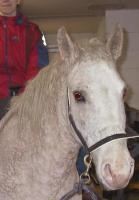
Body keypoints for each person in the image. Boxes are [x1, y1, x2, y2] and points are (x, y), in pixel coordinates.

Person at [0, 0, 49, 119]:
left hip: (23, 102)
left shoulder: (32, 31)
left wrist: (25, 98)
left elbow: (38, 68)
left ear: (18, 0)